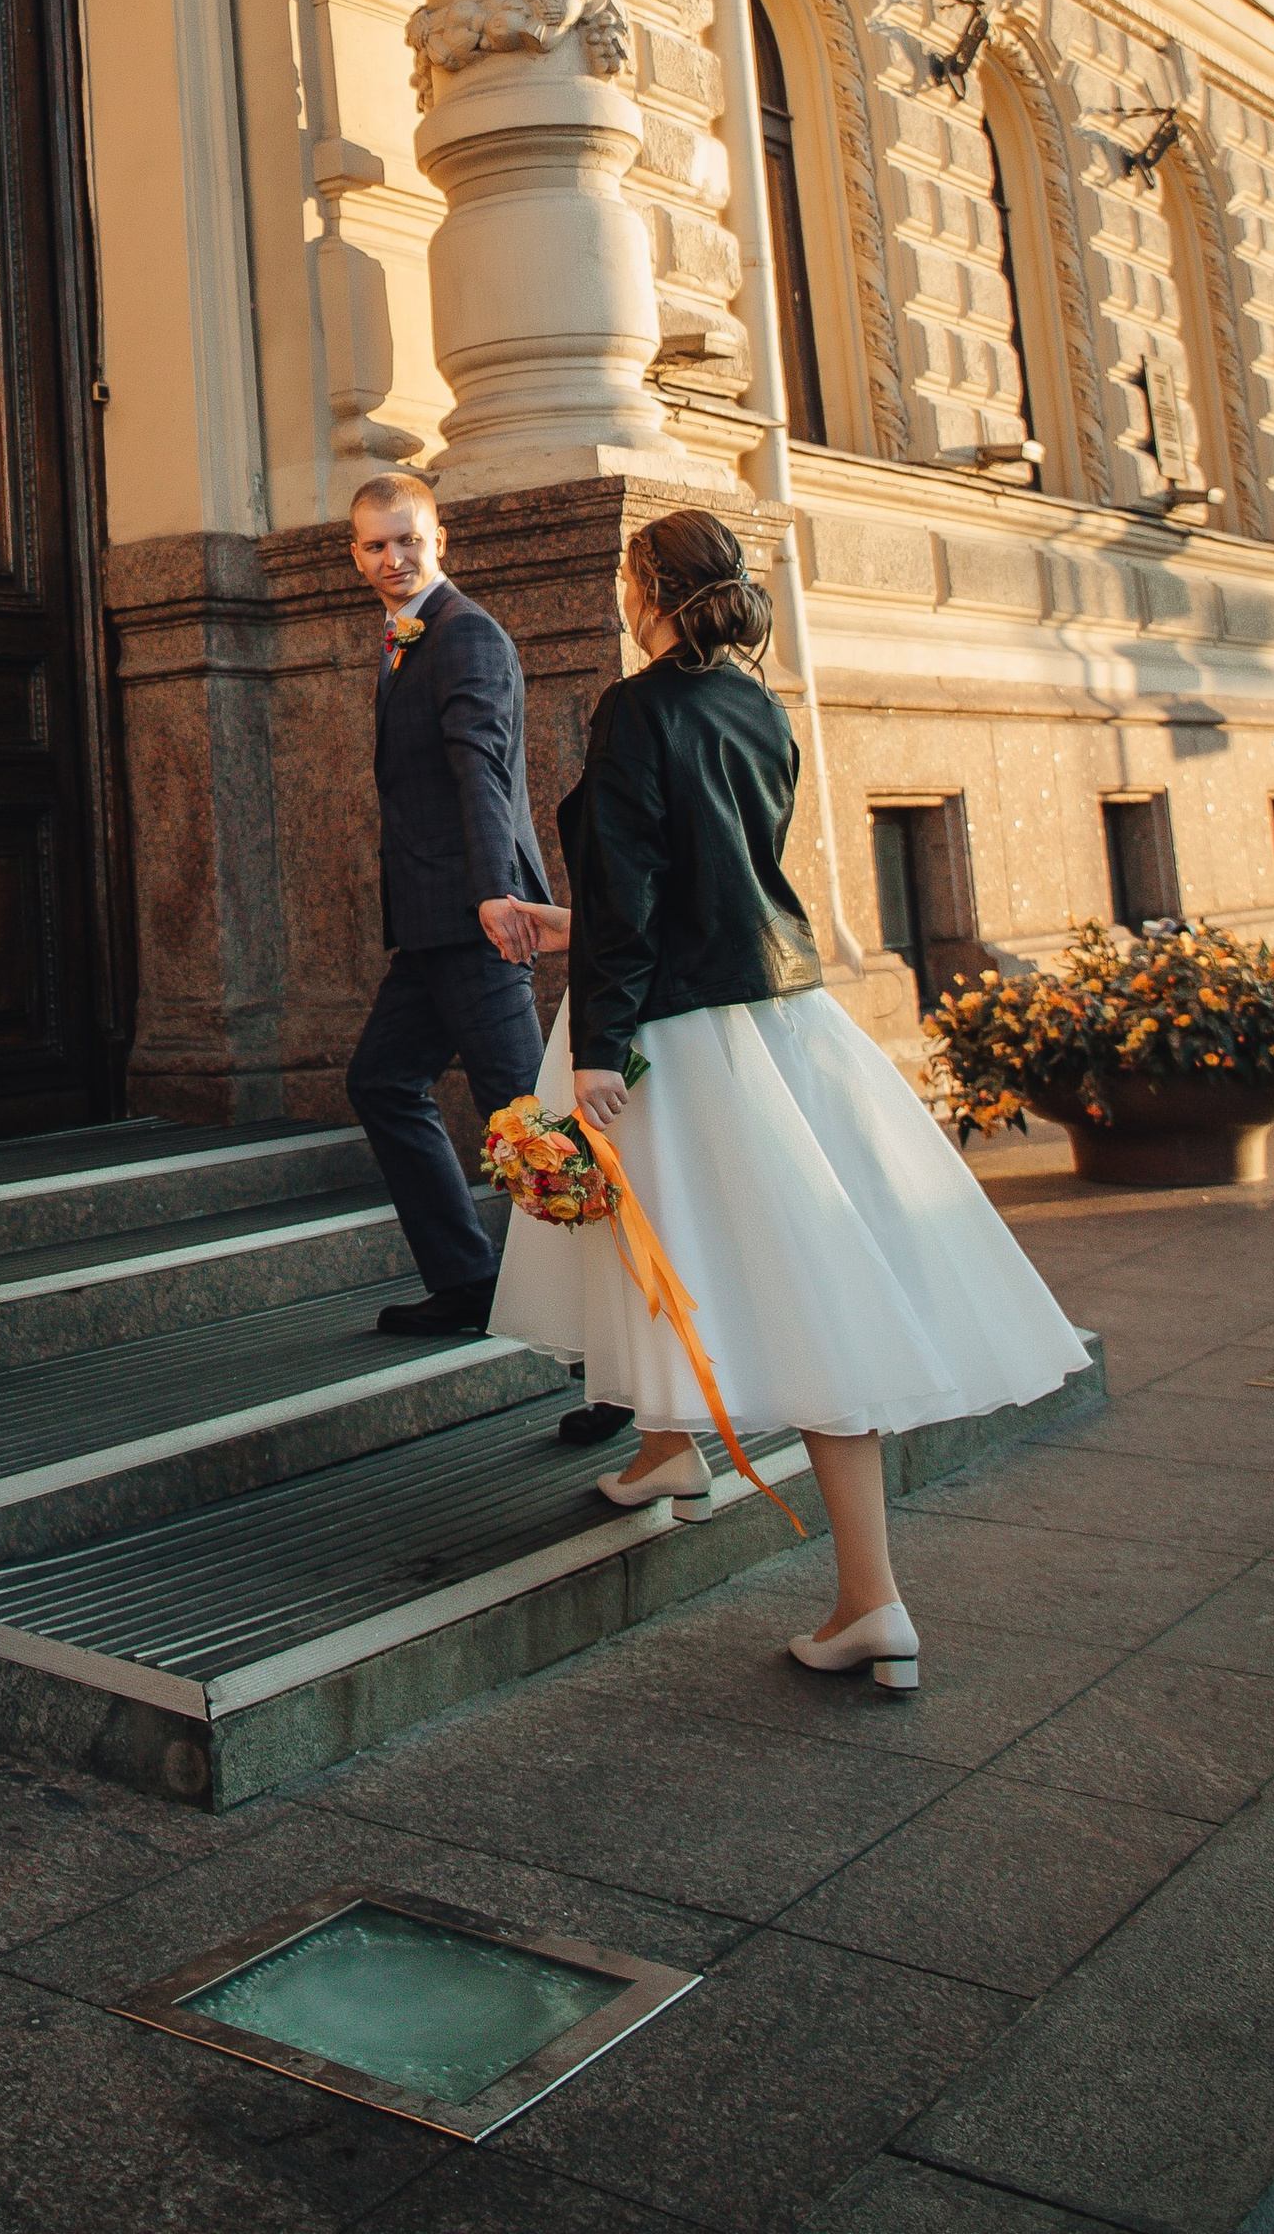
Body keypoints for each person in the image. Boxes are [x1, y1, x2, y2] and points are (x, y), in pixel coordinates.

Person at [491, 503, 1087, 1693]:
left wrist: (597, 1041)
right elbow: (712, 881)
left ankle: (872, 1599)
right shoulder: (756, 705)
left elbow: (636, 879)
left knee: (780, 1291)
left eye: (623, 577)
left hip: (673, 1035)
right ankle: (668, 1447)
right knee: (688, 1251)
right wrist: (570, 931)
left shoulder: (635, 707)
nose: (618, 594)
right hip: (774, 1015)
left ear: (647, 588)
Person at [343, 470, 552, 1340]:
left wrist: (495, 897)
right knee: (383, 1082)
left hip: (474, 920)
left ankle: (615, 1338)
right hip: (432, 924)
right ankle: (468, 1281)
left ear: (441, 542)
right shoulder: (406, 640)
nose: (395, 558)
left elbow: (483, 774)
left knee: (534, 1130)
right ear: (355, 556)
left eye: (409, 541)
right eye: (376, 545)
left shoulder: (464, 635)